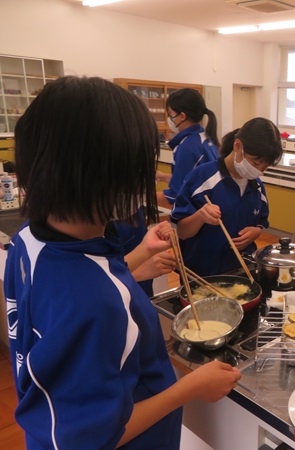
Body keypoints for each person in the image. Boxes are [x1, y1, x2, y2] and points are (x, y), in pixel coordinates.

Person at [5, 76, 241, 450]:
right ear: (101, 176)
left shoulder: (29, 240)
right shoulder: (94, 305)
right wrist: (190, 387)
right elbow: (96, 437)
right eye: (137, 170)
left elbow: (73, 298)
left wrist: (138, 256)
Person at [172, 117, 283, 276]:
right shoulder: (202, 177)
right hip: (202, 274)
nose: (258, 171)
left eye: (264, 167)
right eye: (255, 163)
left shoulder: (257, 186)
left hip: (242, 271)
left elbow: (261, 222)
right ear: (237, 146)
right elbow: (182, 232)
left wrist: (256, 232)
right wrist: (200, 216)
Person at [156, 88, 220, 207]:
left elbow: (176, 195)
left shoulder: (187, 147)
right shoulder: (205, 138)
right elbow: (191, 180)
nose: (170, 119)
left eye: (170, 114)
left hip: (197, 212)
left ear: (182, 116)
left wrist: (140, 197)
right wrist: (161, 176)